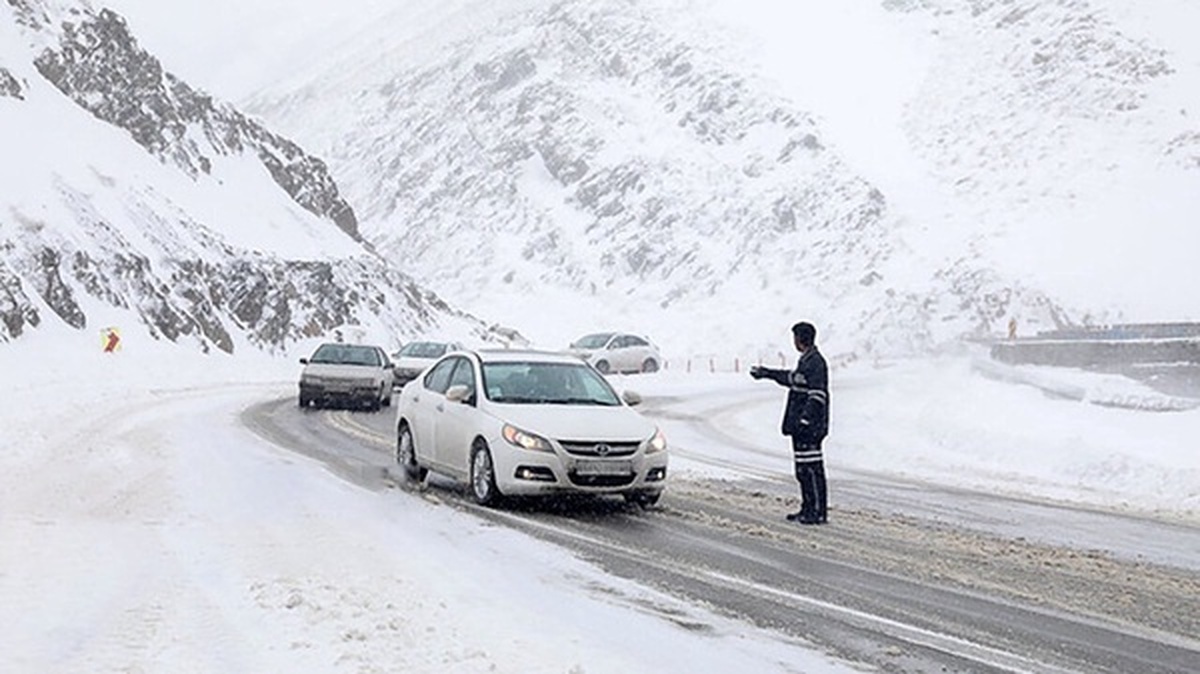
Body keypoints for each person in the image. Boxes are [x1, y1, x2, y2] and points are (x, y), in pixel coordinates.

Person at [750, 321, 830, 524]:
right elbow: (791, 379)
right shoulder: (806, 361)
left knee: (812, 469)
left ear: (800, 339)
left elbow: (817, 395)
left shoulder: (816, 363)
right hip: (801, 427)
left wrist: (805, 419)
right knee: (802, 470)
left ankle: (817, 511)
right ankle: (807, 507)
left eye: (795, 337)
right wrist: (767, 373)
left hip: (810, 428)